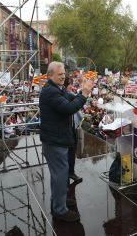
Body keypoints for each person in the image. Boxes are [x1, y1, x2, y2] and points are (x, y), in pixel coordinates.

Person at [39, 61, 93, 222]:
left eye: (64, 74)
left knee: (60, 176)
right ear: (50, 76)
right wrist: (83, 94)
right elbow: (69, 108)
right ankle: (59, 210)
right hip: (55, 142)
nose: (63, 76)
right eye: (60, 74)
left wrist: (82, 90)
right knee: (60, 176)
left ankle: (59, 201)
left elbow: (72, 99)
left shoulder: (58, 89)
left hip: (59, 139)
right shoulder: (50, 92)